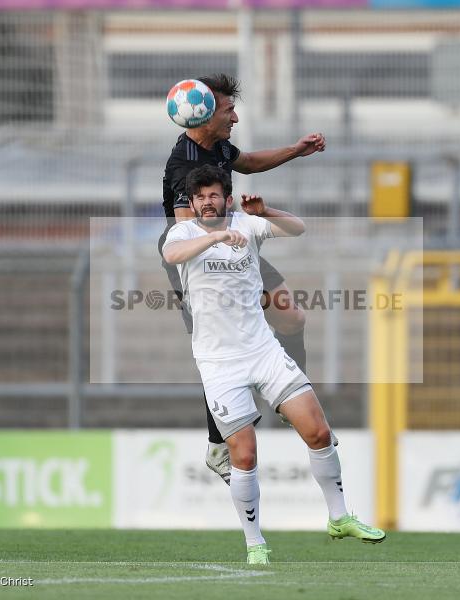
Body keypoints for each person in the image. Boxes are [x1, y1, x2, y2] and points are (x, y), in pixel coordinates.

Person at [162, 166, 385, 564]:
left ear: (226, 198)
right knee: (244, 456)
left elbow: (298, 228)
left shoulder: (248, 225)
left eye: (214, 195)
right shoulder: (185, 234)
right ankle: (255, 543)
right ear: (192, 203)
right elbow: (170, 254)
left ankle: (339, 518)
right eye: (200, 197)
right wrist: (214, 236)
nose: (207, 201)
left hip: (263, 351)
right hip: (218, 363)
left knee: (318, 432)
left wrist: (267, 212)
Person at [159, 73, 330, 485]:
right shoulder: (184, 166)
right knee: (218, 342)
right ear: (204, 112)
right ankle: (217, 442)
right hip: (197, 259)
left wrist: (296, 150)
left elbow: (248, 162)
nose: (235, 117)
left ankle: (290, 398)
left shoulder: (216, 146)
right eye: (229, 109)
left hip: (233, 243)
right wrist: (231, 249)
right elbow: (188, 232)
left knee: (291, 316)